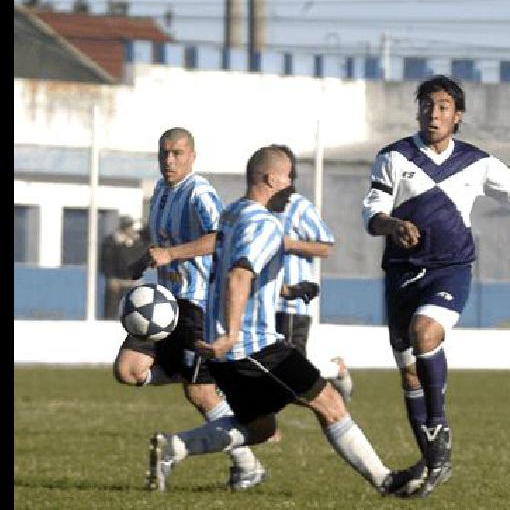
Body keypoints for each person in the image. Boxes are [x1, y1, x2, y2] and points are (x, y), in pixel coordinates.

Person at [147, 145, 416, 497]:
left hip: (229, 351)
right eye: (288, 178)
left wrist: (284, 291)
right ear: (272, 179)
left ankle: (174, 447)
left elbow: (236, 272)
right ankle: (387, 481)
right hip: (254, 345)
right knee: (330, 403)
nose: (292, 185)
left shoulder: (232, 214)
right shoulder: (265, 224)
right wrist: (231, 333)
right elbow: (239, 276)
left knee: (258, 428)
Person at [361, 74, 510, 497]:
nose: (433, 113)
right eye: (426, 104)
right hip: (402, 274)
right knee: (409, 376)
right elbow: (373, 214)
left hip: (450, 270)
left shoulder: (475, 162)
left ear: (457, 116)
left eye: (443, 106)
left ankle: (439, 425)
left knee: (426, 333)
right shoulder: (392, 157)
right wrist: (393, 225)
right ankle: (433, 460)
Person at [112, 127, 264, 491]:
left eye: (177, 153)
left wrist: (173, 254)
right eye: (164, 153)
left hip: (196, 303)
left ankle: (248, 466)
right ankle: (189, 369)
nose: (169, 160)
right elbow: (161, 241)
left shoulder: (200, 192)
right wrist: (142, 263)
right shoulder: (161, 190)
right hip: (163, 303)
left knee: (200, 393)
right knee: (128, 369)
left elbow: (219, 237)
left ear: (192, 156)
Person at [270, 144, 353, 402]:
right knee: (273, 371)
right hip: (264, 301)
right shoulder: (261, 207)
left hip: (292, 303)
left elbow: (326, 246)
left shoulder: (299, 207)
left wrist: (288, 243)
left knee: (286, 373)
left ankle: (335, 381)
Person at [99, 215, 147, 319]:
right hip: (117, 281)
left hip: (133, 281)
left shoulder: (137, 242)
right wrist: (111, 277)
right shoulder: (111, 242)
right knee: (112, 311)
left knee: (134, 310)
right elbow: (106, 261)